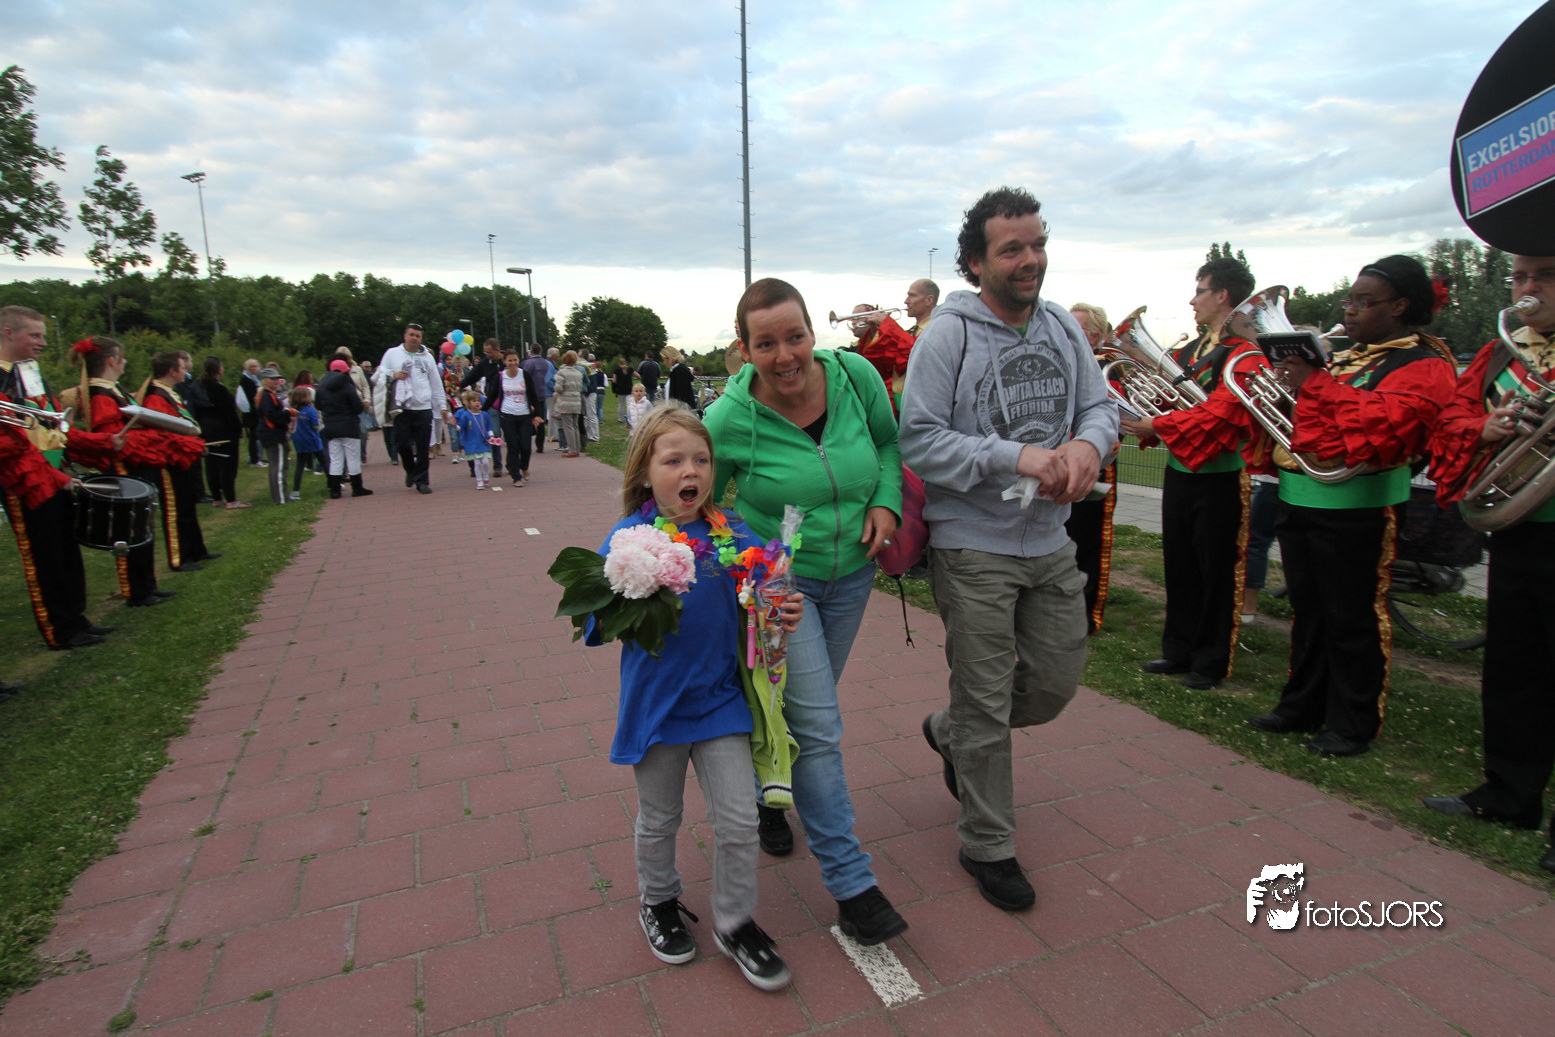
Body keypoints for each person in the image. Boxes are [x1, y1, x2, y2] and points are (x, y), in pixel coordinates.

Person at [899, 187, 1118, 911]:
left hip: (1050, 539)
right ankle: (988, 843)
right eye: (1012, 248)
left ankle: (949, 731)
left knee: (1053, 683)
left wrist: (1088, 445)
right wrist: (1010, 456)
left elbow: (1100, 406)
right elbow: (919, 439)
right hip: (973, 546)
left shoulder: (1061, 327)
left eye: (1037, 243)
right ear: (975, 262)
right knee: (986, 700)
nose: (1031, 259)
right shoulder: (947, 336)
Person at [703, 277, 909, 946]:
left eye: (795, 337)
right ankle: (853, 886)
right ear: (744, 350)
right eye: (766, 344)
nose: (785, 355)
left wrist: (886, 502)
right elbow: (703, 502)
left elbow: (887, 445)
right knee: (818, 725)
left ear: (812, 335)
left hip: (853, 575)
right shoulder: (728, 419)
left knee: (799, 709)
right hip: (780, 588)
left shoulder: (855, 376)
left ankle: (770, 789)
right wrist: (750, 559)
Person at [591, 405, 800, 990]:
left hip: (720, 703)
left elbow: (766, 596)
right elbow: (597, 623)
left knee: (738, 820)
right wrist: (629, 588)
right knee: (660, 819)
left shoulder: (733, 531)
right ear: (645, 472)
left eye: (702, 459)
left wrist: (783, 606)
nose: (692, 471)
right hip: (657, 707)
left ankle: (734, 922)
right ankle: (658, 900)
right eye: (674, 460)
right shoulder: (629, 538)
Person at [1242, 255, 1456, 756]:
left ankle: (1352, 722)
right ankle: (1302, 706)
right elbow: (1310, 420)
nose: (1351, 310)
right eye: (1350, 300)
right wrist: (1281, 392)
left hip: (1359, 506)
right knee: (1309, 609)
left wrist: (1313, 384)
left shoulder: (1423, 364)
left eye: (1365, 302)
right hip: (1300, 494)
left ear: (1399, 307)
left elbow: (1383, 422)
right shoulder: (1339, 359)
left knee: (1351, 614)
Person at [1422, 252, 1555, 875]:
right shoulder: (1503, 353)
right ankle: (1509, 794)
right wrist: (1487, 427)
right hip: (1519, 526)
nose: (1527, 288)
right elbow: (1451, 421)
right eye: (1519, 277)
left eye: (1544, 275)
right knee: (1513, 670)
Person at [1119, 257, 1261, 690]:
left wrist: (1158, 424)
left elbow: (1221, 414)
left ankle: (1210, 660)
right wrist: (1136, 378)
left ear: (1222, 296)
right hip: (1180, 470)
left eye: (1200, 291)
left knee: (1216, 570)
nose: (1192, 300)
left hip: (1222, 476)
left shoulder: (1244, 354)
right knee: (1179, 564)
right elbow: (1165, 395)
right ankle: (1178, 649)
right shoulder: (1191, 351)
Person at [0, 305, 125, 648]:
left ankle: (76, 618)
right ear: (8, 333)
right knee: (43, 555)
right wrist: (56, 477)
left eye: (42, 335)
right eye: (35, 335)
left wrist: (102, 442)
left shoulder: (29, 373)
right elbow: (11, 446)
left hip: (53, 472)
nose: (42, 342)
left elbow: (55, 426)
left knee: (66, 549)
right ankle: (60, 629)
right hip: (25, 481)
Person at [71, 336, 192, 606]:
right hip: (125, 466)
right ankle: (136, 591)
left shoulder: (112, 389)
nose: (124, 362)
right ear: (111, 360)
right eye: (122, 357)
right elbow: (112, 435)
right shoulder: (100, 393)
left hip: (138, 463)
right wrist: (153, 437)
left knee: (143, 526)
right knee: (129, 529)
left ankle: (148, 584)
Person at [1064, 302, 1121, 632]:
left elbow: (1114, 414)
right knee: (1065, 538)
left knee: (1089, 541)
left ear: (1096, 336)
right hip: (1062, 460)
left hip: (1097, 464)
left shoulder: (1108, 366)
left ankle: (1088, 614)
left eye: (1077, 328)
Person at [142, 351, 216, 570]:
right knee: (176, 509)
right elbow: (163, 433)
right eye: (182, 368)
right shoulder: (156, 396)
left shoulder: (169, 392)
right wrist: (190, 445)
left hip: (183, 457)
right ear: (172, 371)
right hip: (170, 461)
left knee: (188, 505)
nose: (186, 371)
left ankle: (196, 550)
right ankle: (179, 558)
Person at [380, 322, 454, 494]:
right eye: (411, 334)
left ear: (421, 338)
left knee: (422, 446)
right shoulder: (392, 353)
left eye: (418, 336)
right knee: (402, 443)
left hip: (423, 407)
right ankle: (410, 469)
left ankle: (422, 481)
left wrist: (442, 406)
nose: (414, 338)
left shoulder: (427, 357)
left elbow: (436, 383)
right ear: (405, 336)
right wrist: (393, 375)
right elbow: (380, 374)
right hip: (401, 408)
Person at [191, 357, 246, 509]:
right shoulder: (218, 388)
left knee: (212, 464)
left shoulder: (197, 387)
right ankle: (231, 500)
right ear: (219, 370)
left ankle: (217, 498)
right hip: (223, 431)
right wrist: (238, 429)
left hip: (206, 430)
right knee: (227, 465)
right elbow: (230, 412)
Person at [316, 358, 372, 499]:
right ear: (345, 371)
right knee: (352, 459)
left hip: (331, 426)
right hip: (349, 426)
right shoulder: (347, 386)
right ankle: (357, 488)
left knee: (335, 459)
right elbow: (357, 407)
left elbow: (318, 405)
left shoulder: (321, 386)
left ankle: (335, 490)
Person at [847, 304, 914, 412]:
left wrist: (886, 323)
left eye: (857, 317)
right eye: (852, 318)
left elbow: (907, 356)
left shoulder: (923, 330)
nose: (853, 322)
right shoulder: (865, 341)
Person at [495, 350, 542, 486]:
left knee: (525, 447)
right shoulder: (501, 377)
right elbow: (493, 395)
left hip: (524, 415)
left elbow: (533, 395)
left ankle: (524, 466)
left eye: (515, 360)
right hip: (507, 415)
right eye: (510, 360)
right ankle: (516, 476)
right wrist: (483, 410)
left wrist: (537, 414)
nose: (513, 363)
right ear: (504, 361)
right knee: (513, 447)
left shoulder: (525, 375)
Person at [461, 339, 506, 477]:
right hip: (492, 403)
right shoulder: (485, 363)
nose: (487, 355)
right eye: (485, 352)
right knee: (495, 434)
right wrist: (460, 385)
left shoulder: (507, 360)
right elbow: (473, 376)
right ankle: (497, 466)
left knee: (512, 436)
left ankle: (513, 464)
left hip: (509, 403)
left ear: (497, 350)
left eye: (490, 352)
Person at [254, 367, 294, 505]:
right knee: (279, 467)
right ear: (264, 381)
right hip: (273, 434)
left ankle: (280, 496)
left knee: (276, 465)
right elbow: (271, 416)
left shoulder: (269, 395)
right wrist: (288, 413)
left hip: (271, 432)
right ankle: (281, 498)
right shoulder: (267, 396)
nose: (276, 381)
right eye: (272, 379)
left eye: (277, 378)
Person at [455, 390, 499, 490]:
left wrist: (491, 436)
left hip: (484, 442)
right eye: (474, 401)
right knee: (477, 463)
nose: (477, 403)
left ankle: (486, 475)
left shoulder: (485, 414)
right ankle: (479, 481)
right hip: (472, 443)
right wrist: (454, 425)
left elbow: (489, 427)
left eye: (478, 400)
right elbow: (460, 427)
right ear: (468, 403)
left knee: (486, 461)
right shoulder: (466, 415)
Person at [289, 385, 322, 501]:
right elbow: (315, 425)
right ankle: (334, 483)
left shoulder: (292, 411)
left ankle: (296, 491)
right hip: (312, 439)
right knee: (324, 461)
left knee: (300, 465)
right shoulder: (310, 410)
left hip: (299, 439)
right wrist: (319, 422)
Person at [522, 344, 554, 454]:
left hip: (530, 394)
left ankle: (526, 442)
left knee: (527, 419)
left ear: (531, 351)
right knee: (540, 419)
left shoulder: (528, 363)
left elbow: (524, 378)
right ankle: (540, 445)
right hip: (542, 393)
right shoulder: (546, 363)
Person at [553, 350, 585, 458]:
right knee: (575, 426)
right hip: (576, 401)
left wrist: (555, 389)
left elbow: (558, 388)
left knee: (568, 426)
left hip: (566, 401)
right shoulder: (578, 373)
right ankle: (576, 448)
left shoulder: (561, 372)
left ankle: (572, 449)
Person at [238, 358, 264, 466]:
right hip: (251, 411)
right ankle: (253, 459)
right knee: (254, 435)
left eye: (256, 366)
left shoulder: (254, 379)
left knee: (256, 435)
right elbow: (250, 395)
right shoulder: (246, 379)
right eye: (252, 367)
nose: (254, 368)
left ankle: (256, 457)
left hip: (254, 409)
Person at [612, 358, 634, 422]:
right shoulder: (630, 369)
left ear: (619, 363)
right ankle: (629, 417)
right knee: (629, 404)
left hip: (620, 389)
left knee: (621, 405)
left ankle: (620, 418)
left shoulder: (617, 371)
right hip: (629, 389)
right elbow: (637, 374)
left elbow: (614, 380)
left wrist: (614, 389)